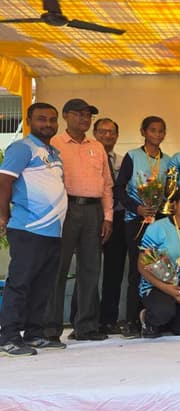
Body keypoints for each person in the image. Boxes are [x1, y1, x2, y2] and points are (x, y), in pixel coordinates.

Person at [0, 103, 67, 356]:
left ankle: (34, 333)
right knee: (20, 283)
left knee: (42, 285)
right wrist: (2, 215)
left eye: (52, 119)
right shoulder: (22, 148)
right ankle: (8, 337)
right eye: (41, 119)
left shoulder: (54, 153)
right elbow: (4, 182)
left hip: (52, 231)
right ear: (28, 121)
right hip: (28, 228)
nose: (47, 124)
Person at [45, 98, 113, 343]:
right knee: (58, 269)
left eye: (88, 115)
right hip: (65, 208)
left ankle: (85, 326)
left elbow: (107, 185)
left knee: (91, 269)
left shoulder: (97, 146)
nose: (85, 119)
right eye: (79, 114)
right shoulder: (53, 143)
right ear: (65, 116)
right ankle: (50, 328)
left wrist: (108, 217)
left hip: (94, 211)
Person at [115, 115, 171, 338]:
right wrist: (137, 208)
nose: (157, 134)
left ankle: (154, 317)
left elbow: (170, 192)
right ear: (143, 132)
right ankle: (132, 320)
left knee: (160, 268)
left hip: (159, 222)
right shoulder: (133, 156)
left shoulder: (168, 161)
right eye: (153, 130)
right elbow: (119, 188)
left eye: (161, 131)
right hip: (136, 221)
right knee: (137, 271)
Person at [138, 186, 180, 338]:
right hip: (157, 287)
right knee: (162, 312)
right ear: (175, 204)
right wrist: (166, 288)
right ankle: (147, 318)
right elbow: (141, 265)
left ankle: (168, 318)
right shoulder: (157, 227)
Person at [93, 118, 128, 335]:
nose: (108, 135)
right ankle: (85, 320)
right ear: (94, 133)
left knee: (114, 273)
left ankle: (108, 319)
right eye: (103, 131)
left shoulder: (123, 161)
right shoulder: (88, 159)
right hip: (91, 216)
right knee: (89, 271)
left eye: (112, 132)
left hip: (118, 218)